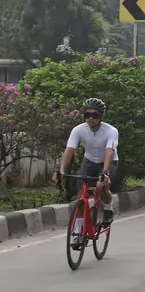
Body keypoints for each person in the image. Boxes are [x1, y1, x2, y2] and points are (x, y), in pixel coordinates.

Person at [53, 98, 119, 229]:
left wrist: (105, 173)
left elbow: (109, 151)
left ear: (102, 116)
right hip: (89, 162)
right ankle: (78, 231)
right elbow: (69, 150)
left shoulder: (111, 131)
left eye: (94, 115)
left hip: (108, 162)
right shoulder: (78, 130)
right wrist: (61, 171)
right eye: (87, 115)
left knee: (101, 185)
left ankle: (107, 208)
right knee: (81, 196)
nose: (90, 118)